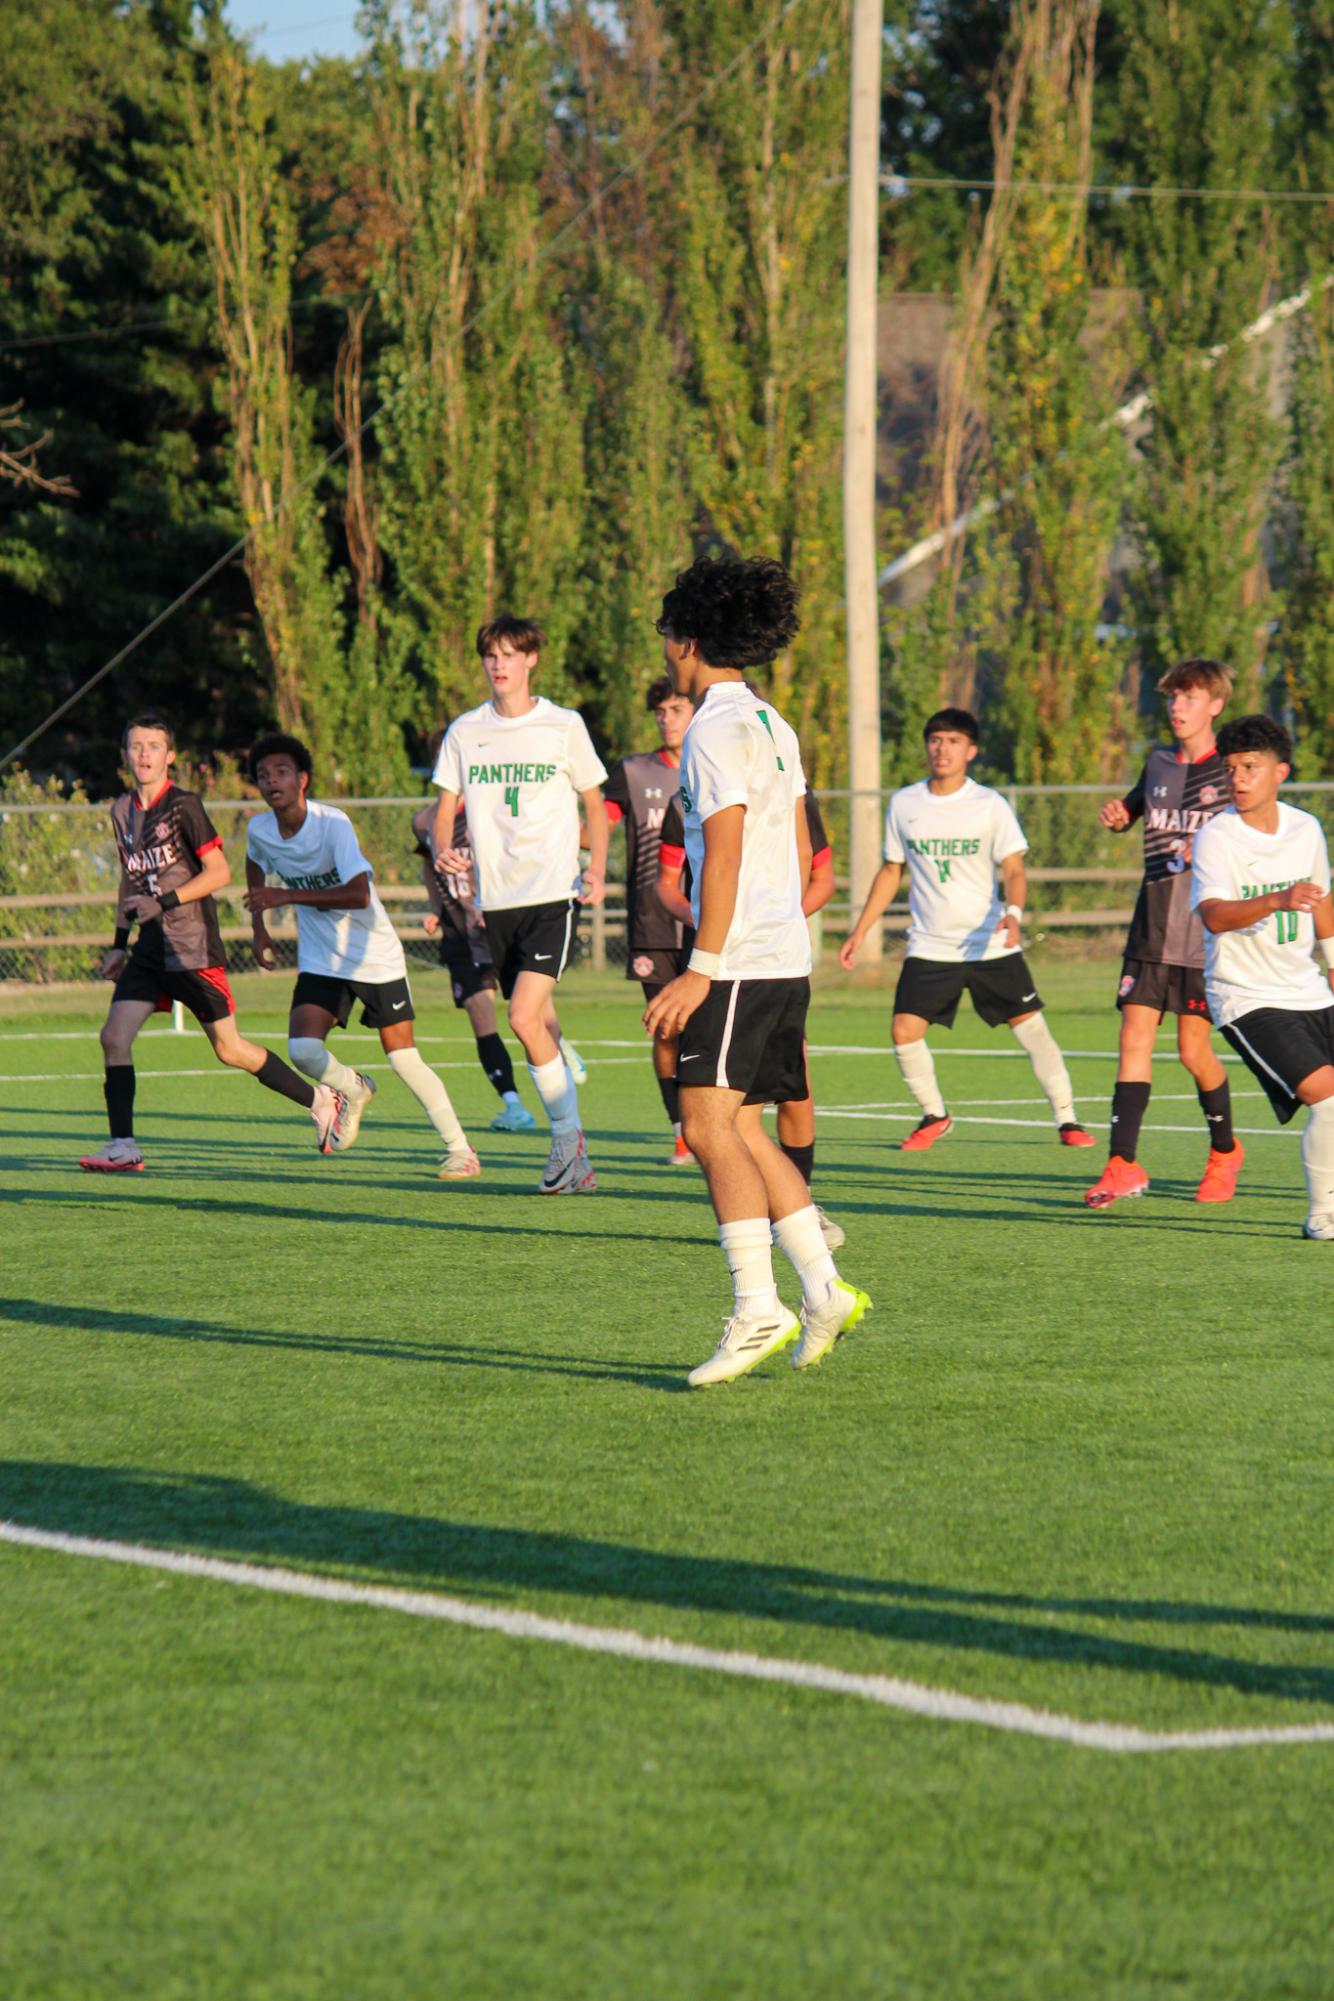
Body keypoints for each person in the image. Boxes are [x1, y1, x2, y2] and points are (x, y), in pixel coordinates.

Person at [643, 555, 870, 1386]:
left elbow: (728, 851)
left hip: (736, 964)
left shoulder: (709, 730)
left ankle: (756, 1305)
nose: (666, 645)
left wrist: (700, 967)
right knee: (738, 1128)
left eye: (670, 631)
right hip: (782, 958)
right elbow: (797, 848)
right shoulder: (773, 722)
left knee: (705, 1128)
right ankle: (821, 1288)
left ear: (690, 640)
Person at [79, 713, 350, 1172]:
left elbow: (219, 873)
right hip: (149, 950)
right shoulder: (121, 811)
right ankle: (122, 1145)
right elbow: (130, 882)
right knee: (113, 1037)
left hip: (192, 947)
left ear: (170, 756)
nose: (144, 753)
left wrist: (162, 902)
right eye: (136, 745)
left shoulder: (184, 805)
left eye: (153, 746)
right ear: (126, 754)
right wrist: (119, 943)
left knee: (229, 1049)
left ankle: (322, 1099)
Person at [840, 708, 1092, 1150]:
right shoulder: (904, 803)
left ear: (970, 751)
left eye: (954, 741)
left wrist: (1013, 912)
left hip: (988, 945)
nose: (943, 749)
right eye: (936, 740)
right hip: (931, 946)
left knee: (1031, 1027)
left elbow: (1013, 869)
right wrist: (861, 930)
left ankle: (1068, 1120)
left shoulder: (990, 805)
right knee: (904, 1031)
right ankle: (934, 1115)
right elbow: (890, 870)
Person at [245, 734, 479, 1180]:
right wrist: (259, 927)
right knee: (303, 1049)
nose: (271, 781)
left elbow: (357, 893)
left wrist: (285, 895)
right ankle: (353, 1090)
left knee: (404, 1058)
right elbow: (256, 862)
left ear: (303, 779)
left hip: (374, 955)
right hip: (321, 959)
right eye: (263, 775)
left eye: (281, 772)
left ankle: (460, 1150)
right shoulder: (260, 829)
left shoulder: (333, 825)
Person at [431, 613, 608, 1194]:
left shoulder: (563, 725)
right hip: (496, 900)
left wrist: (598, 869)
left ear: (532, 659)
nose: (499, 664)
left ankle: (566, 1140)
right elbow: (445, 808)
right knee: (533, 1023)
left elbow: (595, 805)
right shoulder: (465, 732)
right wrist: (440, 848)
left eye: (510, 654)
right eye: (491, 656)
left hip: (553, 892)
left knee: (523, 1016)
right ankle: (575, 1156)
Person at [659, 783, 846, 1247]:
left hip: (745, 963)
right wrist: (704, 922)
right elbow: (668, 882)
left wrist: (773, 920)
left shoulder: (790, 788)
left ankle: (774, 1264)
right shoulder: (689, 791)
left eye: (685, 707)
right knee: (733, 1119)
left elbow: (816, 873)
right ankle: (811, 1267)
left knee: (753, 1108)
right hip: (724, 953)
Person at [1085, 657, 1240, 1209]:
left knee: (1193, 1051)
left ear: (1215, 705)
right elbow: (1132, 809)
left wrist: (1218, 848)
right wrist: (1119, 816)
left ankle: (1224, 1152)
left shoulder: (1231, 772)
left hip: (1201, 934)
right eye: (1173, 697)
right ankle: (1122, 1163)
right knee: (1133, 1039)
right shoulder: (1156, 764)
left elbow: (1252, 838)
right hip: (1150, 927)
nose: (1178, 707)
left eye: (1190, 698)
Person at [1190, 714, 1334, 1239]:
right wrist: (1275, 898)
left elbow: (1323, 902)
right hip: (1247, 997)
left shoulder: (1305, 829)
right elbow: (1214, 915)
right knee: (1330, 1099)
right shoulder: (1217, 838)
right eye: (1231, 769)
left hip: (1307, 988)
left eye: (1251, 767)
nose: (1239, 778)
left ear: (1280, 772)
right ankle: (1323, 1213)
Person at [411, 748, 536, 1134]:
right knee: (481, 1016)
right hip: (460, 936)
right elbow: (428, 866)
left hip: (500, 927)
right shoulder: (426, 822)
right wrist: (437, 908)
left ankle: (562, 1060)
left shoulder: (490, 813)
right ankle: (513, 1104)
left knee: (529, 1011)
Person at [603, 675, 694, 1160]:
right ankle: (681, 1127)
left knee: (712, 1027)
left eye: (676, 708)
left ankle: (717, 1121)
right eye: (660, 711)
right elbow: (596, 827)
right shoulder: (634, 772)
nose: (667, 719)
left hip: (709, 921)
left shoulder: (715, 770)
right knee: (666, 1028)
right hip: (654, 924)